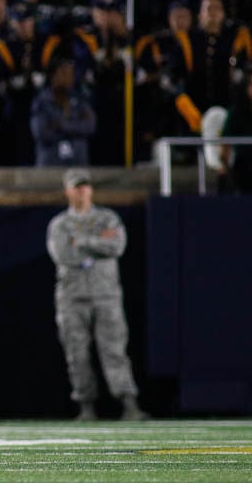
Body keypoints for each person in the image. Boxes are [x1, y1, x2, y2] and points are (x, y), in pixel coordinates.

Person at [46, 168, 147, 421]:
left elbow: (117, 246)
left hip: (106, 294)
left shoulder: (107, 219)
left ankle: (128, 403)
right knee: (76, 353)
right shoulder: (60, 224)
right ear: (68, 190)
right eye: (76, 186)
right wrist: (96, 242)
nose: (82, 191)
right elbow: (63, 255)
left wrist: (81, 241)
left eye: (85, 186)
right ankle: (86, 405)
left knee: (114, 350)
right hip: (72, 296)